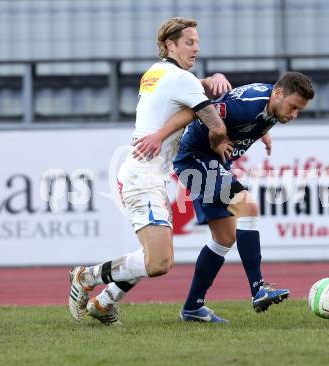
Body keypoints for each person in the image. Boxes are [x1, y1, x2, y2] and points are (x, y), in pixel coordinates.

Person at [68, 17, 233, 326]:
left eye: (197, 42)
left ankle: (104, 303)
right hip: (142, 177)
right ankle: (86, 276)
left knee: (155, 258)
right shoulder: (181, 80)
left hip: (142, 174)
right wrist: (218, 139)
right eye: (189, 42)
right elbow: (216, 124)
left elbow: (193, 91)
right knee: (158, 262)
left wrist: (212, 79)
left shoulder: (155, 73)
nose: (196, 48)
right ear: (170, 45)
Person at [135, 72, 315, 322]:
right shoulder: (248, 105)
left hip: (210, 163)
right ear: (278, 93)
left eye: (299, 111)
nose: (294, 115)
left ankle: (193, 308)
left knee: (225, 238)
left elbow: (252, 115)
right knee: (248, 207)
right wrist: (215, 136)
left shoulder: (273, 103)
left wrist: (262, 132)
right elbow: (202, 110)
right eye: (293, 107)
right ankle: (258, 289)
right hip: (193, 159)